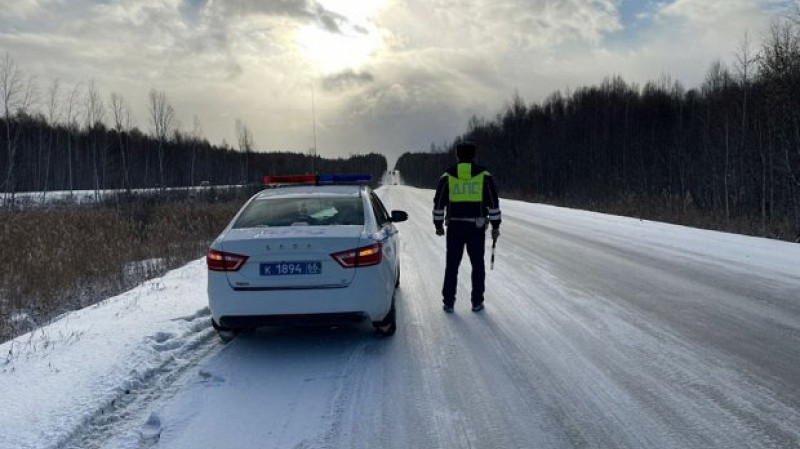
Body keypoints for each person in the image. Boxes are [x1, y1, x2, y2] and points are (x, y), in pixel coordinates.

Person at [433, 141, 501, 313]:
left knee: (452, 265)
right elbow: (493, 203)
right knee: (477, 265)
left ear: (457, 155)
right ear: (473, 155)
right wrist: (495, 225)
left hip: (455, 227)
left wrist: (438, 224)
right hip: (476, 227)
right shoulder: (485, 176)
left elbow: (439, 202)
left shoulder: (447, 176)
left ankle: (449, 302)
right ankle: (477, 302)